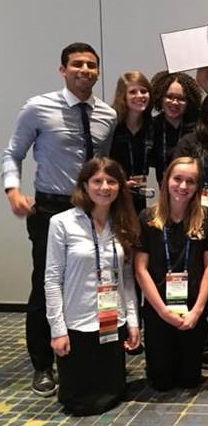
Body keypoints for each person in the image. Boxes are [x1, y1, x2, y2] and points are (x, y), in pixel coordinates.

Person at [2, 42, 116, 397]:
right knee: (47, 283)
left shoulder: (107, 115)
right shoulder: (38, 108)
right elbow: (12, 153)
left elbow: (104, 164)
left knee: (98, 277)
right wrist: (12, 191)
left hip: (94, 207)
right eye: (77, 64)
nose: (85, 70)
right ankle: (42, 364)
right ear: (62, 69)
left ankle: (95, 344)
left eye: (92, 65)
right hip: (51, 207)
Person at [44, 158, 140, 415]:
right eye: (97, 181)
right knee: (79, 403)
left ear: (120, 187)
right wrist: (57, 330)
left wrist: (132, 321)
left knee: (114, 396)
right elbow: (52, 280)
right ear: (84, 185)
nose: (105, 187)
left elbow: (127, 280)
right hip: (77, 324)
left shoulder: (122, 223)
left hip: (112, 321)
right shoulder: (62, 223)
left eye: (111, 181)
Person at [134, 156, 208, 391]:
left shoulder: (207, 218)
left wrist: (197, 311)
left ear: (197, 186)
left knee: (189, 381)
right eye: (177, 179)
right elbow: (140, 269)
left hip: (192, 309)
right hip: (158, 308)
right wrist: (162, 311)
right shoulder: (148, 218)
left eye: (190, 181)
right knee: (161, 383)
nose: (183, 186)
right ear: (166, 180)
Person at [110, 70, 153, 215]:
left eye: (143, 91)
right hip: (112, 195)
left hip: (140, 195)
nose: (140, 96)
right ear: (123, 96)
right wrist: (119, 183)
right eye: (133, 92)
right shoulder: (111, 124)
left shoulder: (152, 126)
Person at [150, 71, 201, 184]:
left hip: (195, 190)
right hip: (166, 193)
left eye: (181, 98)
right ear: (160, 97)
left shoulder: (199, 126)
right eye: (169, 97)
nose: (175, 102)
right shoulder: (152, 126)